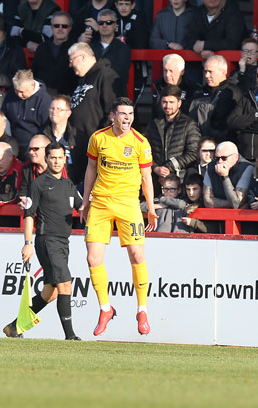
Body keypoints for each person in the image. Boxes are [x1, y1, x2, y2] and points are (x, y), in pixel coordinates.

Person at [81, 97, 157, 336]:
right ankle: (105, 308)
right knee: (93, 259)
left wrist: (151, 208)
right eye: (123, 114)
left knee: (137, 254)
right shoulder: (98, 138)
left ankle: (142, 310)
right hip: (101, 203)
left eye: (131, 114)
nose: (127, 118)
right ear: (113, 116)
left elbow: (147, 177)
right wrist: (85, 201)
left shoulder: (140, 142)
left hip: (128, 205)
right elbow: (91, 169)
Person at [3, 142, 82, 340]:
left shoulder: (69, 185)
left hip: (63, 242)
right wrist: (28, 243)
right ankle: (70, 336)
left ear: (65, 159)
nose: (56, 161)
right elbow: (29, 215)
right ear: (46, 159)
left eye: (59, 157)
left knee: (50, 293)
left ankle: (14, 327)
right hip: (47, 241)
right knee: (65, 285)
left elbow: (84, 208)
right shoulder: (38, 184)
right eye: (52, 157)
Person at [67, 42, 117, 182]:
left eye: (71, 60)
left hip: (95, 145)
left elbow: (112, 109)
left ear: (82, 57)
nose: (70, 65)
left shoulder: (105, 74)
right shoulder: (83, 79)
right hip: (78, 143)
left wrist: (101, 139)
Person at [145, 85, 200, 185]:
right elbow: (144, 151)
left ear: (179, 103)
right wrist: (155, 168)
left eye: (171, 102)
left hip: (180, 179)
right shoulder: (154, 124)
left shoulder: (189, 124)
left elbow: (193, 153)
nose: (167, 106)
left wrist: (169, 166)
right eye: (164, 102)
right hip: (156, 179)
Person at [187, 55, 239, 143]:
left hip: (224, 144)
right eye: (205, 71)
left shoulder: (234, 92)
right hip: (198, 143)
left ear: (223, 72)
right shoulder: (199, 92)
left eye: (210, 72)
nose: (207, 75)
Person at [2, 70, 52, 160]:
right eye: (16, 91)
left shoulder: (44, 100)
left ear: (32, 84)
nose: (19, 95)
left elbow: (46, 129)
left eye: (22, 92)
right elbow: (3, 117)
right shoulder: (10, 96)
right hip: (12, 147)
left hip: (33, 150)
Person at [31, 11, 78, 96]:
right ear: (52, 28)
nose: (60, 28)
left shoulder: (76, 49)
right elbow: (33, 73)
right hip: (43, 98)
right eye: (56, 26)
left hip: (67, 99)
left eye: (64, 26)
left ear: (70, 28)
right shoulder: (42, 48)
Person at [89, 9, 131, 97]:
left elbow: (118, 73)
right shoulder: (90, 48)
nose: (104, 25)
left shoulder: (123, 48)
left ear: (115, 25)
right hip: (93, 97)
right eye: (101, 23)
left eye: (108, 22)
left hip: (115, 95)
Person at [203, 141, 253, 209]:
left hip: (239, 217)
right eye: (217, 158)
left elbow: (236, 203)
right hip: (215, 215)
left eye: (224, 158)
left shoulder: (247, 168)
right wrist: (230, 204)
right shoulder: (210, 167)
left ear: (236, 157)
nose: (220, 162)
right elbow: (207, 202)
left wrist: (224, 177)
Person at [152, 53, 199, 118]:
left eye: (171, 71)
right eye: (165, 70)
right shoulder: (158, 87)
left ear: (182, 72)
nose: (167, 74)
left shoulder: (193, 90)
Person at [41, 95, 76, 165]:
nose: (54, 112)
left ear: (68, 113)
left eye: (59, 109)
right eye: (52, 108)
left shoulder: (76, 136)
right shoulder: (41, 135)